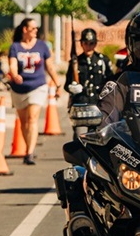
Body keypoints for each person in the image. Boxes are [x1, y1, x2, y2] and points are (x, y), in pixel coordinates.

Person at [7, 17, 60, 165]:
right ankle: (27, 147)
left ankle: (29, 152)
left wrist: (57, 83)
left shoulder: (42, 46)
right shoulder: (15, 47)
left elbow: (49, 66)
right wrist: (15, 74)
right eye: (33, 28)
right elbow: (12, 64)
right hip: (19, 89)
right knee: (24, 122)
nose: (36, 31)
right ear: (25, 30)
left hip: (38, 86)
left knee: (32, 118)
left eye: (37, 28)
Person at [64, 28, 115, 107]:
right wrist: (71, 88)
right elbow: (67, 84)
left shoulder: (103, 60)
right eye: (85, 43)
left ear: (95, 44)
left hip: (98, 103)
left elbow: (111, 82)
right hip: (80, 102)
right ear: (81, 44)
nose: (88, 46)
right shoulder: (75, 62)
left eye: (91, 43)